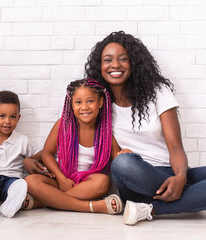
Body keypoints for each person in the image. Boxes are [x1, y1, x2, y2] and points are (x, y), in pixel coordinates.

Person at [85, 30, 206, 225]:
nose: (115, 65)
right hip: (134, 177)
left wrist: (181, 177)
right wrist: (37, 158)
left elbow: (175, 147)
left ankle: (149, 208)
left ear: (134, 63)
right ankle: (190, 196)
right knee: (122, 162)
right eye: (108, 60)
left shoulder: (158, 92)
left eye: (123, 59)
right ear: (100, 66)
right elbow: (70, 132)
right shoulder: (98, 102)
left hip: (169, 172)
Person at [24, 78, 131, 214]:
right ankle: (93, 206)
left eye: (90, 101)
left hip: (86, 183)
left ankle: (45, 202)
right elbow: (46, 154)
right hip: (61, 179)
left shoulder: (106, 134)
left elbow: (117, 158)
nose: (84, 107)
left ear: (100, 102)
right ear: (72, 105)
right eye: (78, 102)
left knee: (103, 181)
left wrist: (125, 154)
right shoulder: (63, 125)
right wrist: (62, 179)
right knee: (30, 181)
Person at [0, 90, 41, 218]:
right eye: (2, 116)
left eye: (13, 117)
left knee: (15, 187)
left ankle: (12, 203)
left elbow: (38, 154)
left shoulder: (23, 140)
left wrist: (33, 161)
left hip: (12, 178)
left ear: (18, 117)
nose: (7, 121)